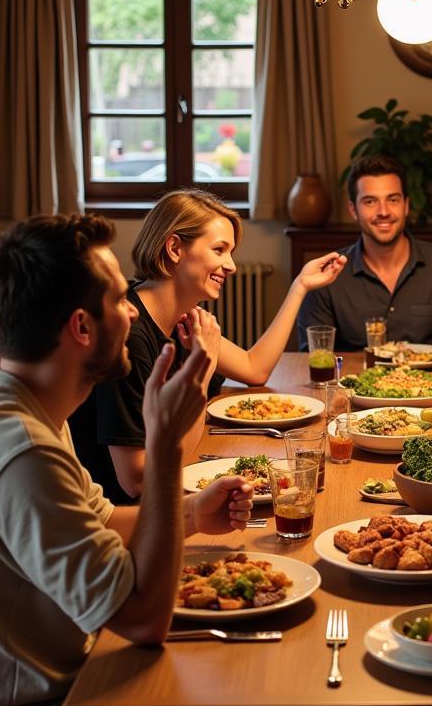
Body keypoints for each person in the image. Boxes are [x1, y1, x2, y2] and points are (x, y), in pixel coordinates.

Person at [0, 214, 255, 706]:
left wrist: (189, 514)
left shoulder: (1, 390)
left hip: (67, 693)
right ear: (82, 327)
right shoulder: (21, 451)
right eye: (118, 299)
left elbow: (104, 520)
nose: (134, 311)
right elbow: (141, 620)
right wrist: (164, 449)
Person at [70, 188, 346, 501]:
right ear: (174, 248)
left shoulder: (181, 317)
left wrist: (300, 286)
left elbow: (254, 368)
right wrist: (202, 373)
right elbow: (138, 481)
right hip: (129, 518)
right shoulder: (129, 336)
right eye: (219, 250)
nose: (232, 266)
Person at [296, 154, 432, 352]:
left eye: (393, 199)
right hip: (353, 381)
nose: (383, 211)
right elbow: (314, 355)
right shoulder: (327, 276)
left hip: (431, 382)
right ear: (353, 210)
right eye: (370, 201)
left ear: (406, 205)